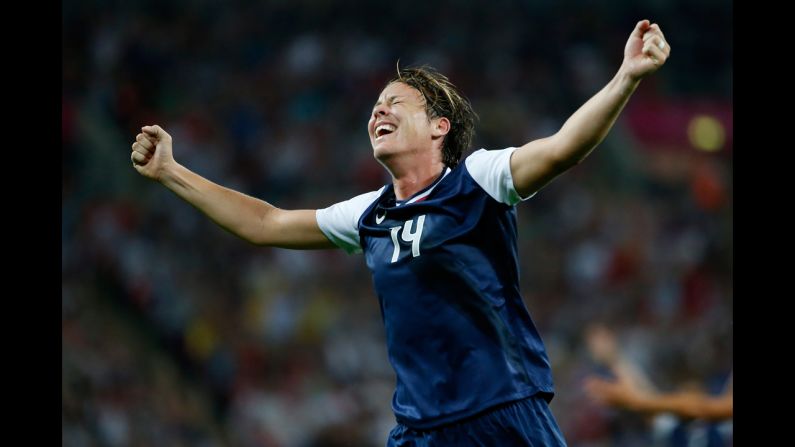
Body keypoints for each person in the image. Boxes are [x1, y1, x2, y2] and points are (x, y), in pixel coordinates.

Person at [131, 19, 669, 446]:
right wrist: (172, 173)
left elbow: (561, 148)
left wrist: (626, 77)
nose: (378, 111)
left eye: (396, 102)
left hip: (503, 415)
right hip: (421, 431)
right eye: (375, 106)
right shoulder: (369, 214)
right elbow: (266, 223)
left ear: (441, 127)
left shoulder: (476, 179)